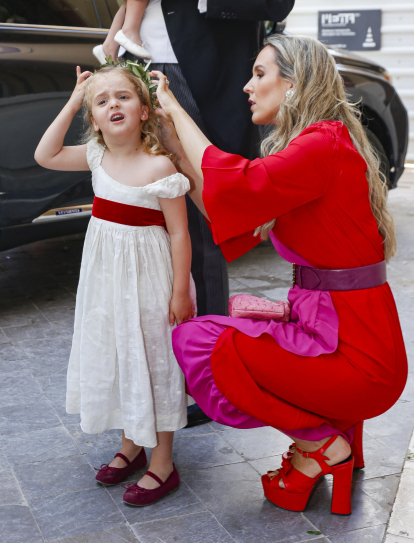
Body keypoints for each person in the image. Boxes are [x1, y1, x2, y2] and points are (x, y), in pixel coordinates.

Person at [151, 34, 408, 515]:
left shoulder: (320, 144)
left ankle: (322, 447)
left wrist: (173, 106)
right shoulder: (324, 143)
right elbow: (232, 210)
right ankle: (335, 442)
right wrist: (175, 149)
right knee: (235, 326)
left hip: (356, 352)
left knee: (197, 340)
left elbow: (239, 183)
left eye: (260, 74)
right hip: (350, 332)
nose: (248, 86)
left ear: (294, 85)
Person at [122, 0, 296, 426]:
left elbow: (278, 3)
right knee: (146, 226)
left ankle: (213, 377)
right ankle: (162, 371)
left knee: (202, 227)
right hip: (135, 67)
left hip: (204, 77)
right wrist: (114, 45)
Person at [34, 63, 197, 506]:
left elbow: (180, 233)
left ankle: (162, 461)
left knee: (152, 358)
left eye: (122, 97)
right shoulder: (95, 156)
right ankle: (132, 443)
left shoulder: (160, 166)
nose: (113, 105)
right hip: (106, 281)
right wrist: (72, 100)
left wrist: (179, 291)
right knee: (120, 351)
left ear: (144, 111)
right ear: (94, 117)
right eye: (101, 101)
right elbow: (44, 155)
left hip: (151, 280)